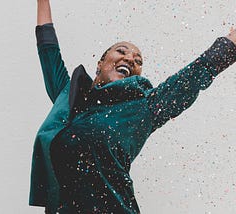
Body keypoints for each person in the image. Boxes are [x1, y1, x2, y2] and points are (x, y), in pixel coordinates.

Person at [29, 0, 236, 213]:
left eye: (138, 61)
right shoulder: (68, 98)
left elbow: (190, 79)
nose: (129, 59)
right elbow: (48, 49)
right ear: (100, 63)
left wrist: (231, 42)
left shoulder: (143, 108)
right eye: (121, 51)